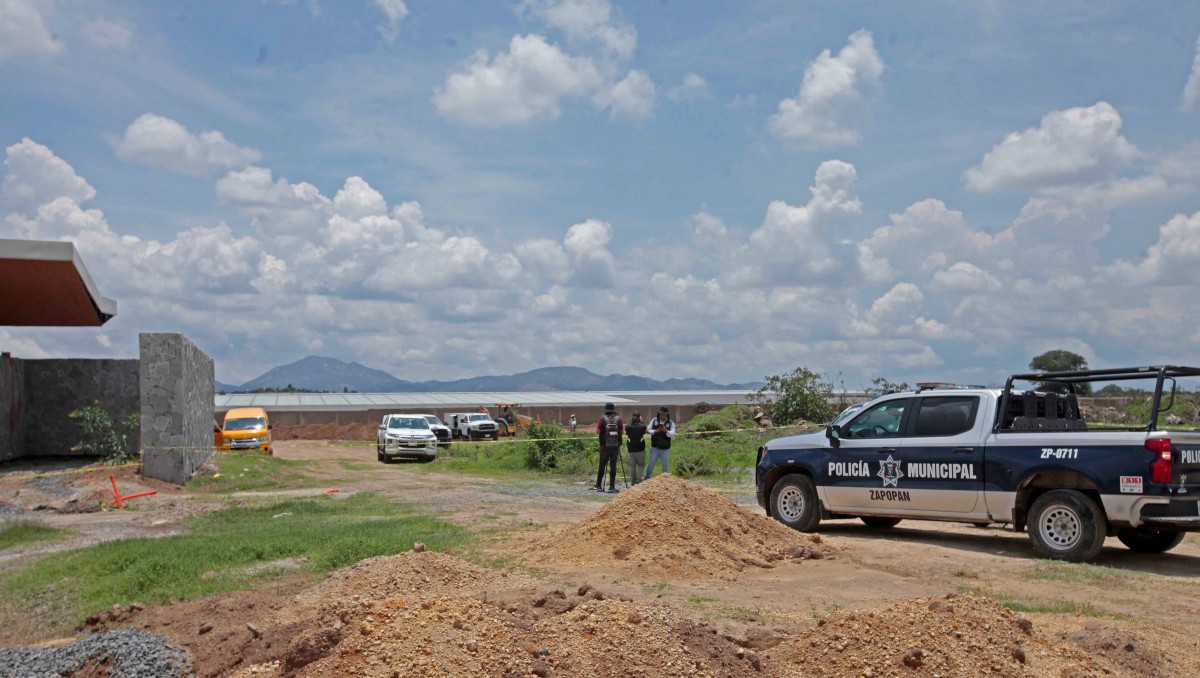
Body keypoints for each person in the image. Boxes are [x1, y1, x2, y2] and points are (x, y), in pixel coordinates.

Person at [593, 402, 623, 493]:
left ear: (605, 409)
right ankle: (612, 486)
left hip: (604, 446)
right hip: (615, 446)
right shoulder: (619, 419)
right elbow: (621, 432)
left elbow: (598, 432)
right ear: (613, 409)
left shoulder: (602, 418)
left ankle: (598, 485)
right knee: (613, 466)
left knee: (602, 465)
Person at [644, 406, 675, 480]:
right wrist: (655, 431)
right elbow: (648, 430)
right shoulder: (654, 420)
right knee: (651, 463)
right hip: (655, 447)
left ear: (667, 415)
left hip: (665, 449)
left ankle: (666, 479)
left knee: (665, 465)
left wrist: (666, 431)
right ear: (659, 414)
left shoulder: (671, 423)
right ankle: (647, 477)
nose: (662, 416)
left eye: (664, 414)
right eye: (661, 414)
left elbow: (673, 435)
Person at [624, 411, 647, 485]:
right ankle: (638, 480)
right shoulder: (642, 426)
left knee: (632, 466)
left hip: (631, 448)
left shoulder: (628, 426)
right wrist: (641, 421)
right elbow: (644, 431)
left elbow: (627, 433)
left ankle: (632, 481)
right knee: (641, 465)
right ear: (639, 417)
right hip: (640, 448)